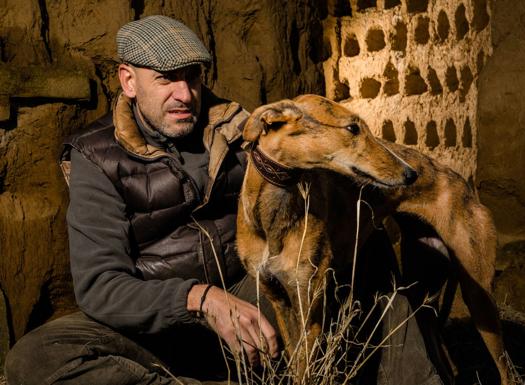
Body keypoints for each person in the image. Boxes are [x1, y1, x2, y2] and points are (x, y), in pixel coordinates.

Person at [4, 15, 448, 385]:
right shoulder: (94, 156)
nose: (183, 94)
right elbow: (101, 288)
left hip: (251, 304)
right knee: (35, 357)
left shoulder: (242, 130)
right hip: (156, 325)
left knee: (364, 254)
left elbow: (318, 185)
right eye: (165, 80)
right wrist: (199, 298)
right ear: (129, 80)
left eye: (192, 78)